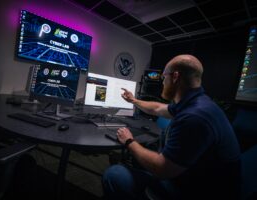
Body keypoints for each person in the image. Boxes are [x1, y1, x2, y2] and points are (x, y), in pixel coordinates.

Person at [102, 55, 241, 200]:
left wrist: (129, 141)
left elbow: (161, 169)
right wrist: (133, 100)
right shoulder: (195, 102)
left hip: (200, 191)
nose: (162, 82)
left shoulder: (195, 117)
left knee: (114, 174)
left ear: (175, 76)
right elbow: (157, 108)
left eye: (163, 77)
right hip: (196, 175)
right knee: (140, 158)